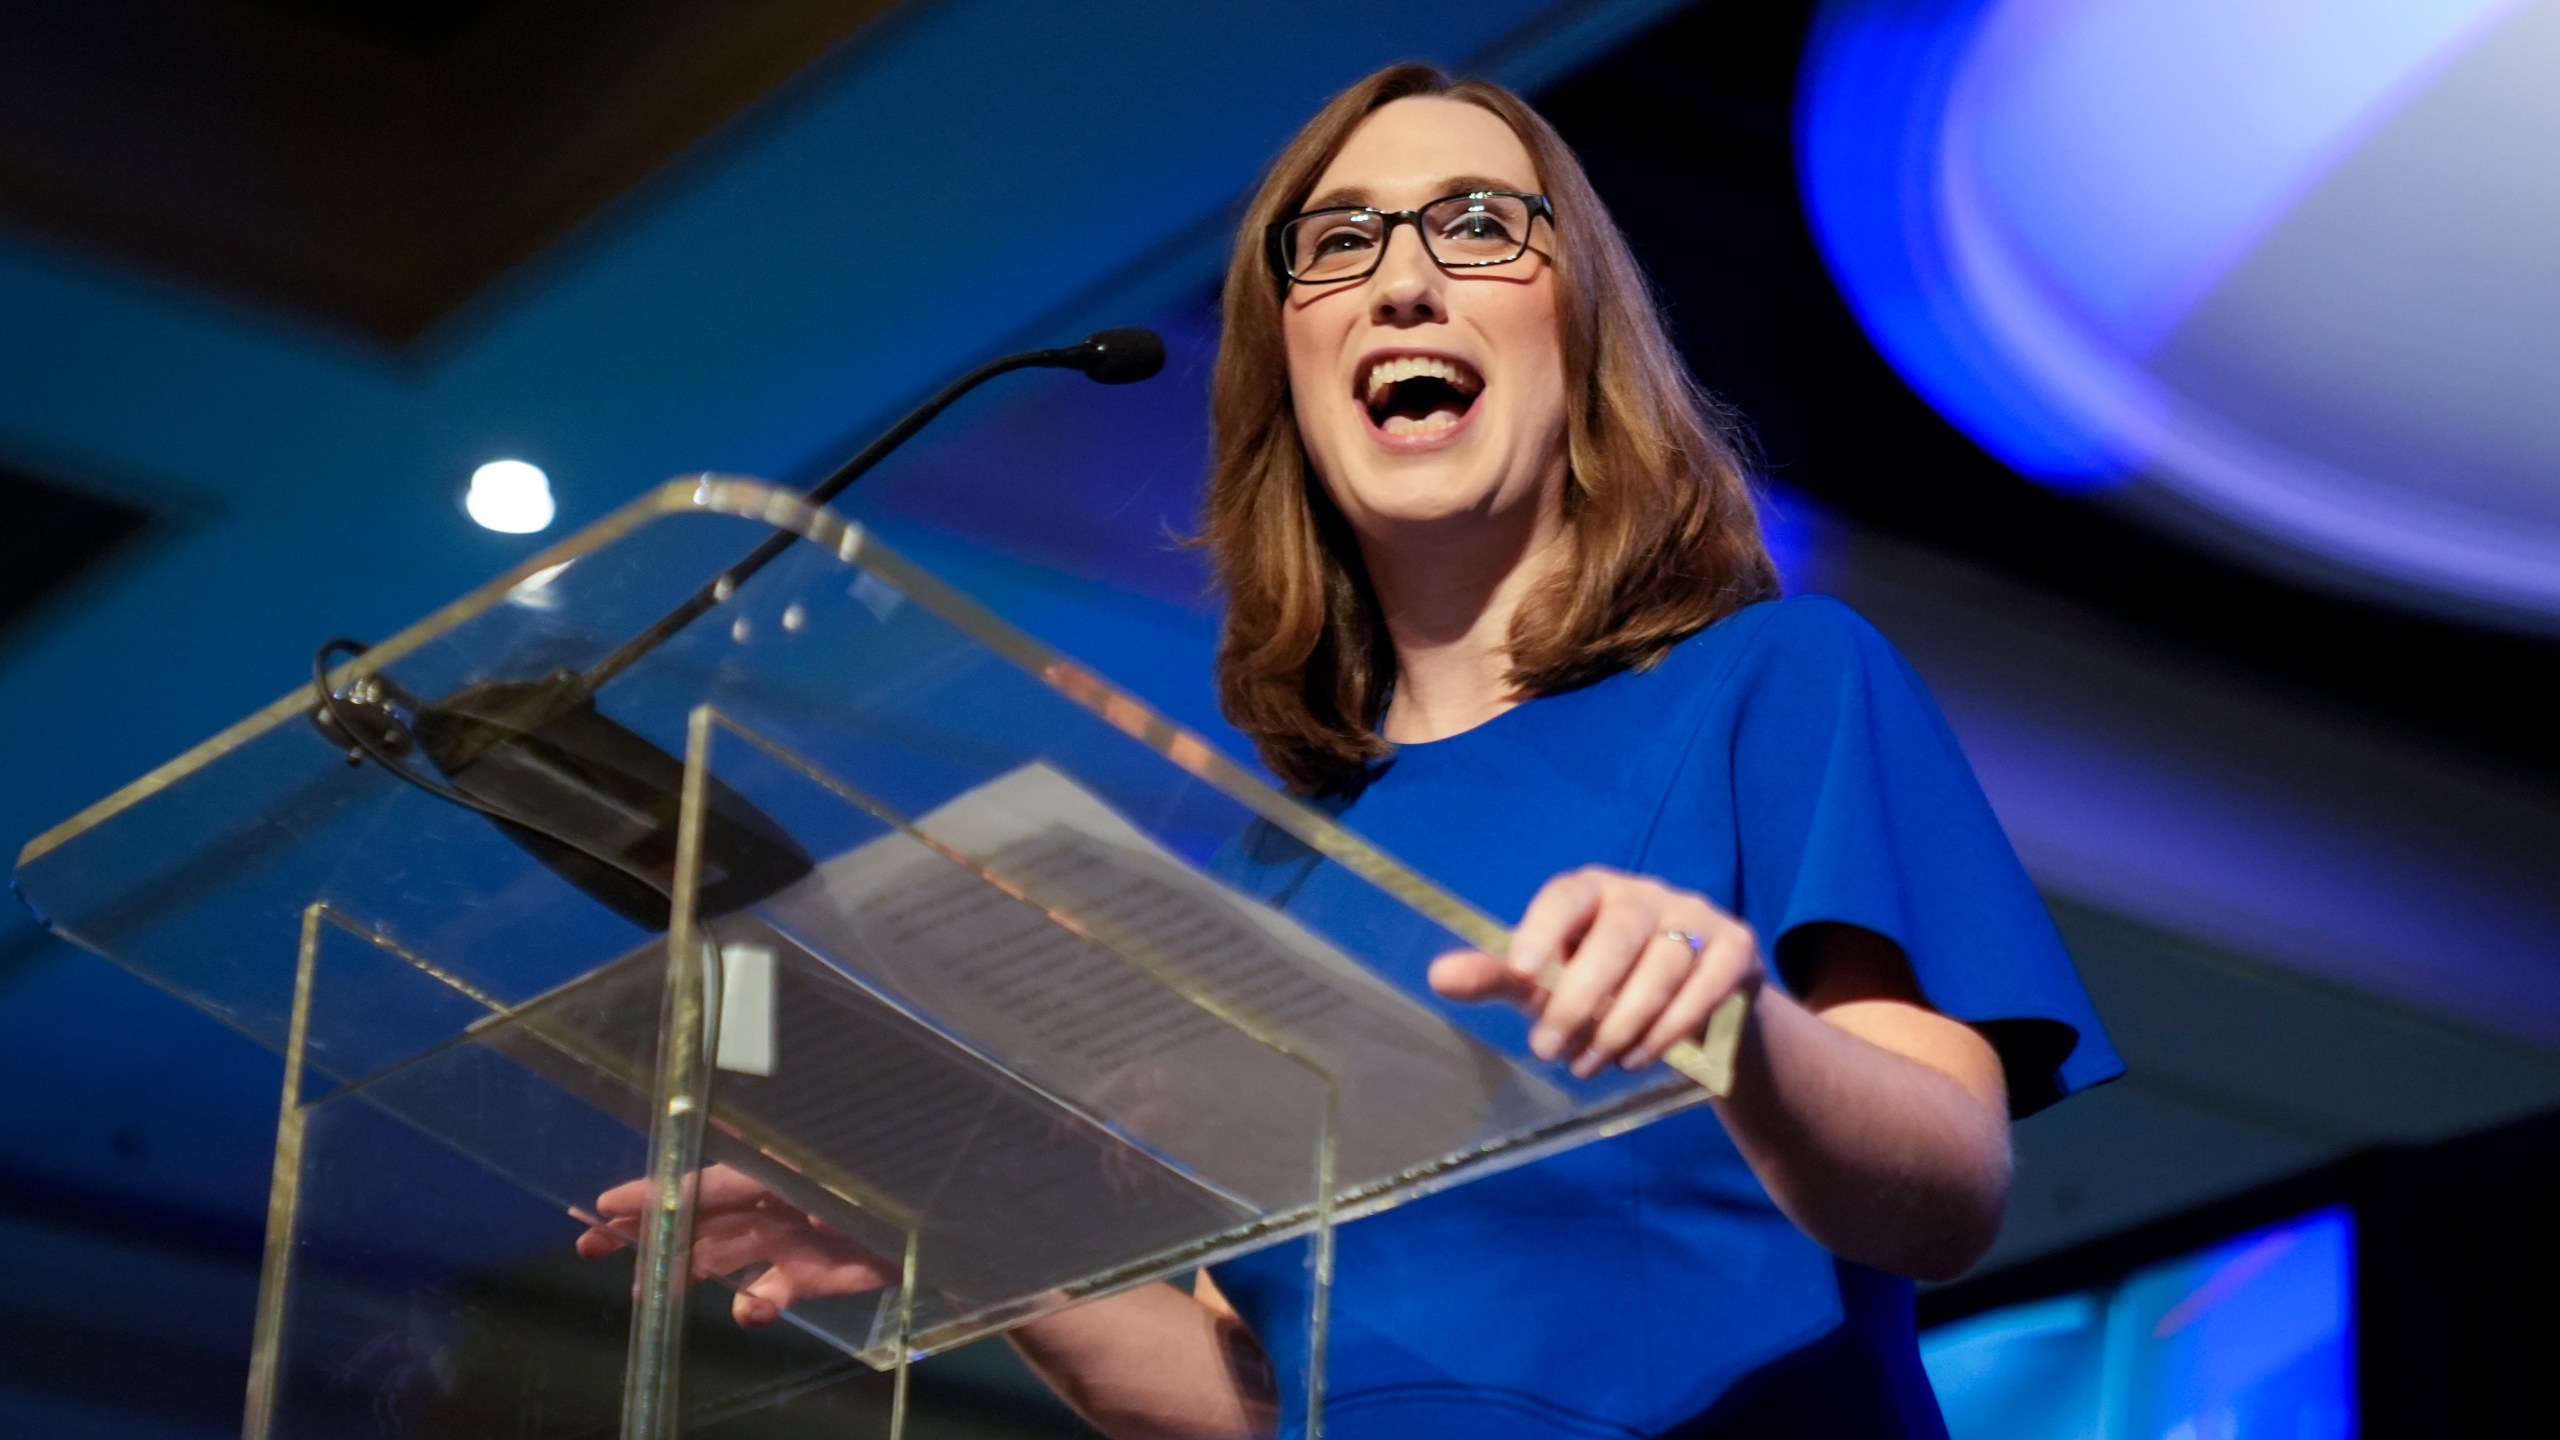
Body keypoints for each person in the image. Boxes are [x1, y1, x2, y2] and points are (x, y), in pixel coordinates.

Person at [582, 62, 2119, 1440]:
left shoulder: (1776, 686)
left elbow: (1947, 1190)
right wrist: (949, 1236)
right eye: (1341, 243)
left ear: (1578, 333)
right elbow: (1255, 1397)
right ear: (1289, 372)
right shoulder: (1259, 872)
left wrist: (1738, 1028)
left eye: (1475, 227)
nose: (1402, 284)